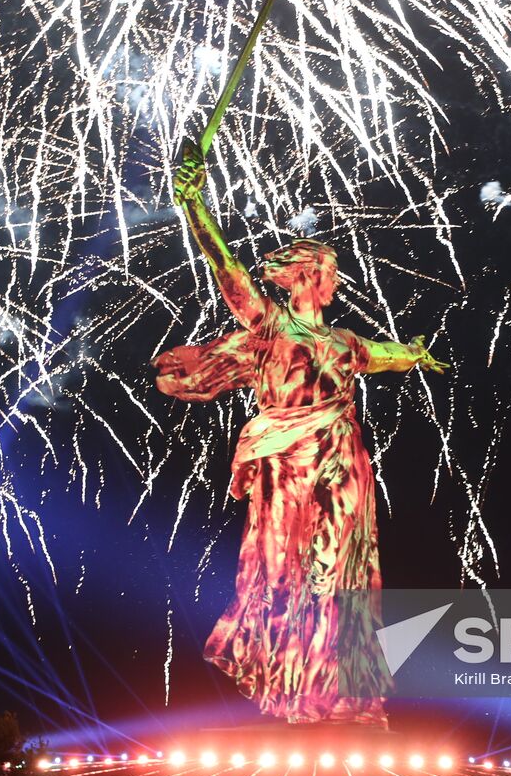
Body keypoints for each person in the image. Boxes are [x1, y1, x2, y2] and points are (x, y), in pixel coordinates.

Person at [154, 139, 446, 727]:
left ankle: (346, 689)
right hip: (287, 460)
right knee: (291, 574)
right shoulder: (267, 324)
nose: (337, 281)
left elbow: (389, 355)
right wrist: (193, 205)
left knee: (340, 566)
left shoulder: (344, 344)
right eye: (331, 272)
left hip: (340, 454)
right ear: (308, 277)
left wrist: (416, 354)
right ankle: (307, 689)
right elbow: (226, 269)